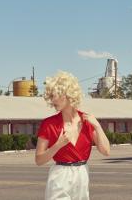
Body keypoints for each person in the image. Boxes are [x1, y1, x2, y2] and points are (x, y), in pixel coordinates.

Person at [35, 71, 110, 200]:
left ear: (67, 94)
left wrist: (97, 126)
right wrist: (57, 145)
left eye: (55, 95)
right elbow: (39, 160)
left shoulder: (87, 121)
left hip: (82, 174)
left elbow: (106, 151)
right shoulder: (48, 124)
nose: (52, 100)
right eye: (50, 96)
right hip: (60, 175)